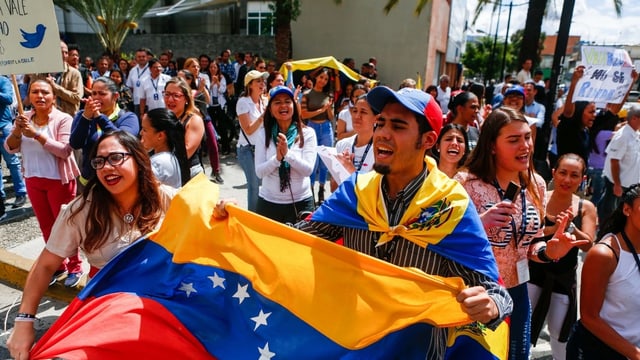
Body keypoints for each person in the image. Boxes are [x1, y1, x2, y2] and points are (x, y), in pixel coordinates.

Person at [292, 86, 513, 359]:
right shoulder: (355, 192)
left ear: (428, 139)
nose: (382, 133)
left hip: (417, 351)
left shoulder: (450, 206)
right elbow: (295, 240)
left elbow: (495, 289)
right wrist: (232, 222)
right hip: (353, 344)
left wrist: (490, 304)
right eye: (380, 123)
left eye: (398, 126)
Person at [6, 130, 177, 360]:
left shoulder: (164, 197)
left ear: (138, 159)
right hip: (105, 311)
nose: (107, 167)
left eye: (116, 158)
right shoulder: (80, 211)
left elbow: (208, 215)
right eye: (99, 161)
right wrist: (23, 321)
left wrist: (224, 209)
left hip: (161, 308)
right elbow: (45, 265)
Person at [456, 107, 589, 359]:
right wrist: (477, 225)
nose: (525, 146)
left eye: (527, 137)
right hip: (476, 294)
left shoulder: (536, 183)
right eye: (514, 140)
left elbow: (530, 245)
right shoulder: (465, 183)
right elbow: (444, 239)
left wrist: (550, 251)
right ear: (492, 145)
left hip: (518, 291)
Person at [4, 79, 82, 286]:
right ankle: (58, 266)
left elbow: (65, 150)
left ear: (53, 98)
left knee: (65, 225)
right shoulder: (23, 118)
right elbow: (10, 148)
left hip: (59, 181)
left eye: (44, 92)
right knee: (47, 226)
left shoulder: (63, 119)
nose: (39, 96)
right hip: (33, 179)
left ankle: (75, 266)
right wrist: (17, 132)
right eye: (34, 92)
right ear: (28, 96)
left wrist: (36, 135)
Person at [528, 154, 596, 360]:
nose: (567, 180)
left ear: (582, 179)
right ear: (553, 173)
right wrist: (553, 229)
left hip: (563, 279)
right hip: (532, 274)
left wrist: (570, 226)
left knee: (560, 335)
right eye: (563, 173)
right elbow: (526, 235)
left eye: (574, 175)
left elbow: (588, 244)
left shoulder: (586, 207)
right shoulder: (538, 197)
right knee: (522, 327)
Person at [566, 184, 640, 359]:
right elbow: (589, 317)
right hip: (598, 351)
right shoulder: (605, 254)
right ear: (627, 210)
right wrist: (635, 354)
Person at [254, 86, 316, 224]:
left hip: (301, 203)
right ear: (270, 109)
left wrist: (287, 155)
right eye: (277, 102)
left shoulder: (307, 133)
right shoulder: (263, 134)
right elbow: (259, 172)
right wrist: (277, 159)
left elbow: (308, 170)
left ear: (294, 106)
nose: (283, 105)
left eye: (287, 101)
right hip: (269, 203)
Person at [70, 77, 139, 187]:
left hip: (118, 181)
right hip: (89, 182)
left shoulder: (128, 117)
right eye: (94, 93)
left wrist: (99, 117)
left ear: (115, 96)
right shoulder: (83, 115)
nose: (97, 98)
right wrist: (86, 118)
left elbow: (122, 141)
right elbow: (75, 143)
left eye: (102, 94)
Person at [300, 68, 337, 204]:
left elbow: (332, 117)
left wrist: (328, 109)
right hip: (312, 128)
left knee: (325, 162)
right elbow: (303, 114)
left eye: (326, 79)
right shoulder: (307, 94)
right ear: (316, 78)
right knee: (312, 162)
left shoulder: (328, 95)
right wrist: (321, 109)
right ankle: (310, 190)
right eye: (321, 77)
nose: (323, 80)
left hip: (326, 128)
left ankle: (321, 189)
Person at [599, 106, 640, 222]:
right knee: (609, 211)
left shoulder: (635, 134)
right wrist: (617, 184)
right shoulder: (622, 136)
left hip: (629, 183)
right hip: (618, 183)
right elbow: (614, 160)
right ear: (634, 119)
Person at [236, 70, 268, 212]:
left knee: (262, 184)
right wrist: (263, 116)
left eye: (263, 81)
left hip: (261, 148)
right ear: (250, 85)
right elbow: (248, 129)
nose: (262, 84)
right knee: (254, 185)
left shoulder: (264, 101)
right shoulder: (243, 102)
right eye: (258, 81)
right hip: (247, 149)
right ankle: (253, 217)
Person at [331, 92, 376, 191]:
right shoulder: (342, 145)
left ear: (376, 118)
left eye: (363, 112)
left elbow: (372, 192)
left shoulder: (380, 150)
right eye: (355, 111)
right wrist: (340, 170)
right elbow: (333, 189)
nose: (357, 116)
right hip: (343, 204)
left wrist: (351, 171)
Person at [163, 77, 205, 179]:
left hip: (190, 175)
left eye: (176, 96)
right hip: (166, 173)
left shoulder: (194, 120)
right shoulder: (162, 119)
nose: (170, 99)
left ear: (186, 99)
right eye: (167, 94)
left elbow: (185, 153)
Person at [140, 108, 190, 188]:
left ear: (160, 135)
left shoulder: (158, 163)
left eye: (145, 130)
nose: (141, 133)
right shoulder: (170, 157)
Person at [0, 76, 27, 216]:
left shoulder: (3, 81)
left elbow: (8, 99)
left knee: (12, 161)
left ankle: (21, 192)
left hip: (3, 126)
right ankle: (1, 196)